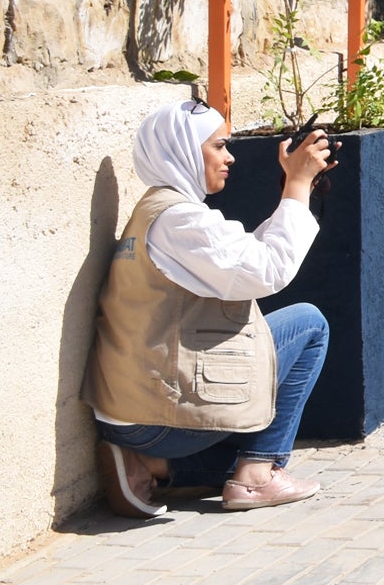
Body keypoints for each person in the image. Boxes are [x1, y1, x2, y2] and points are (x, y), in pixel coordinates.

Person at [88, 101, 334, 518]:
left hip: (131, 409)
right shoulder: (179, 222)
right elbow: (267, 270)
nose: (230, 156)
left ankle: (154, 468)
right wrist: (297, 186)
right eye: (219, 146)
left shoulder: (158, 211)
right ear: (183, 149)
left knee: (244, 441)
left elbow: (244, 260)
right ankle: (256, 475)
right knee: (309, 324)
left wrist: (297, 189)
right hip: (153, 420)